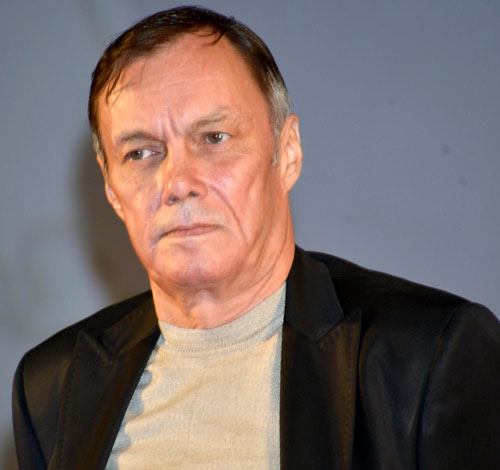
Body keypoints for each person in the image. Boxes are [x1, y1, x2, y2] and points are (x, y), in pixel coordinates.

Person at [12, 6, 500, 470]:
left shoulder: (429, 355)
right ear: (111, 190)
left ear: (287, 153)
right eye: (141, 152)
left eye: (213, 138)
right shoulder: (53, 385)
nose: (177, 182)